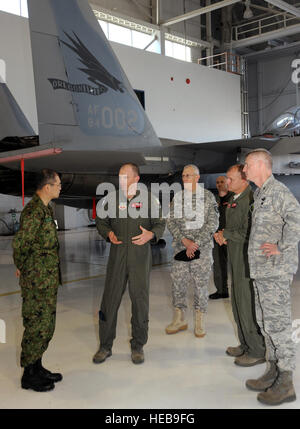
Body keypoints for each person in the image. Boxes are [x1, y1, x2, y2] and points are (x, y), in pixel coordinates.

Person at [243, 149, 300, 405]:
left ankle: (286, 382)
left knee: (278, 325)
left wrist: (283, 248)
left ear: (259, 165)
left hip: (275, 270)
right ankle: (274, 371)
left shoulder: (278, 192)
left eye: (246, 166)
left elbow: (296, 220)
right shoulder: (261, 193)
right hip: (262, 270)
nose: (244, 170)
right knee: (265, 323)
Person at [93, 163, 165, 365]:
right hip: (117, 257)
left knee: (140, 302)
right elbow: (101, 221)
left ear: (136, 179)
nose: (121, 180)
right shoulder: (111, 199)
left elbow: (160, 224)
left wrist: (152, 234)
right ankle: (105, 346)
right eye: (119, 177)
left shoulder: (150, 200)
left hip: (140, 258)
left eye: (125, 176)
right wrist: (107, 233)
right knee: (109, 301)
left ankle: (138, 345)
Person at [12, 169, 62, 392]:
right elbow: (20, 245)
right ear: (47, 187)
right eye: (57, 184)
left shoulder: (45, 209)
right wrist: (23, 267)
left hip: (46, 278)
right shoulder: (33, 212)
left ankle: (37, 366)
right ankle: (28, 375)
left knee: (45, 324)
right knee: (35, 324)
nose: (60, 187)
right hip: (36, 280)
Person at [215, 165, 266, 366]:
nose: (226, 182)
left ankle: (257, 350)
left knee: (247, 305)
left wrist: (225, 235)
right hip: (235, 258)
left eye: (230, 179)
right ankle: (245, 344)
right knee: (236, 303)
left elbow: (252, 233)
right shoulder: (233, 200)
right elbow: (233, 228)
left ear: (244, 180)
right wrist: (222, 235)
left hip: (247, 261)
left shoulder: (251, 200)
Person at [165, 165, 219, 337]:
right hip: (180, 248)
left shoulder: (208, 197)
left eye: (188, 175)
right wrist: (184, 240)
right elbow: (171, 221)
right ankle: (179, 318)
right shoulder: (178, 197)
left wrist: (194, 243)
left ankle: (199, 320)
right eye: (183, 175)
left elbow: (213, 223)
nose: (185, 178)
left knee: (200, 286)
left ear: (197, 177)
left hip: (201, 250)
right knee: (178, 284)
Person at [209, 176, 233, 300]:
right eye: (217, 182)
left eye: (222, 182)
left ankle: (239, 291)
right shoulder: (214, 199)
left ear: (228, 183)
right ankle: (222, 291)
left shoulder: (233, 197)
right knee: (218, 264)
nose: (219, 184)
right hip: (217, 236)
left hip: (231, 236)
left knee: (236, 265)